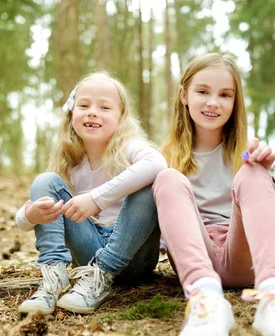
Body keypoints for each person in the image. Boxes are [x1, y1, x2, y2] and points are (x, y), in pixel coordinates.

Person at [153, 53, 275, 336]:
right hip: (196, 262)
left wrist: (267, 174)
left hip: (243, 259)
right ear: (184, 95)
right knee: (167, 178)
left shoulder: (246, 151)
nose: (213, 102)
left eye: (225, 95)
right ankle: (206, 301)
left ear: (235, 102)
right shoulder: (163, 156)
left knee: (253, 171)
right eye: (202, 91)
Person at [15, 71, 166, 317]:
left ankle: (103, 274)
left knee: (149, 183)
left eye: (105, 107)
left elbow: (157, 163)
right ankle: (54, 276)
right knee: (45, 180)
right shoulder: (70, 161)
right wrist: (30, 215)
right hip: (88, 252)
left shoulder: (130, 148)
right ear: (71, 113)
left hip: (135, 256)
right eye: (84, 105)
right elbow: (22, 221)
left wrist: (96, 200)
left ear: (121, 118)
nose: (92, 112)